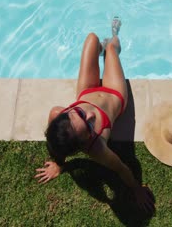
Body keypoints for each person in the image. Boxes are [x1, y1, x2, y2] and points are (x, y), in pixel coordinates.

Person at [35, 17, 154, 212]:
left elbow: (56, 142)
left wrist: (58, 161)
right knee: (111, 51)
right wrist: (136, 189)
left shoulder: (57, 113)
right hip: (115, 94)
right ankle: (114, 37)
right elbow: (121, 168)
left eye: (79, 113)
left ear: (63, 116)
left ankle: (100, 46)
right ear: (85, 142)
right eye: (89, 127)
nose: (91, 116)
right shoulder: (98, 149)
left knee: (91, 39)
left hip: (86, 92)